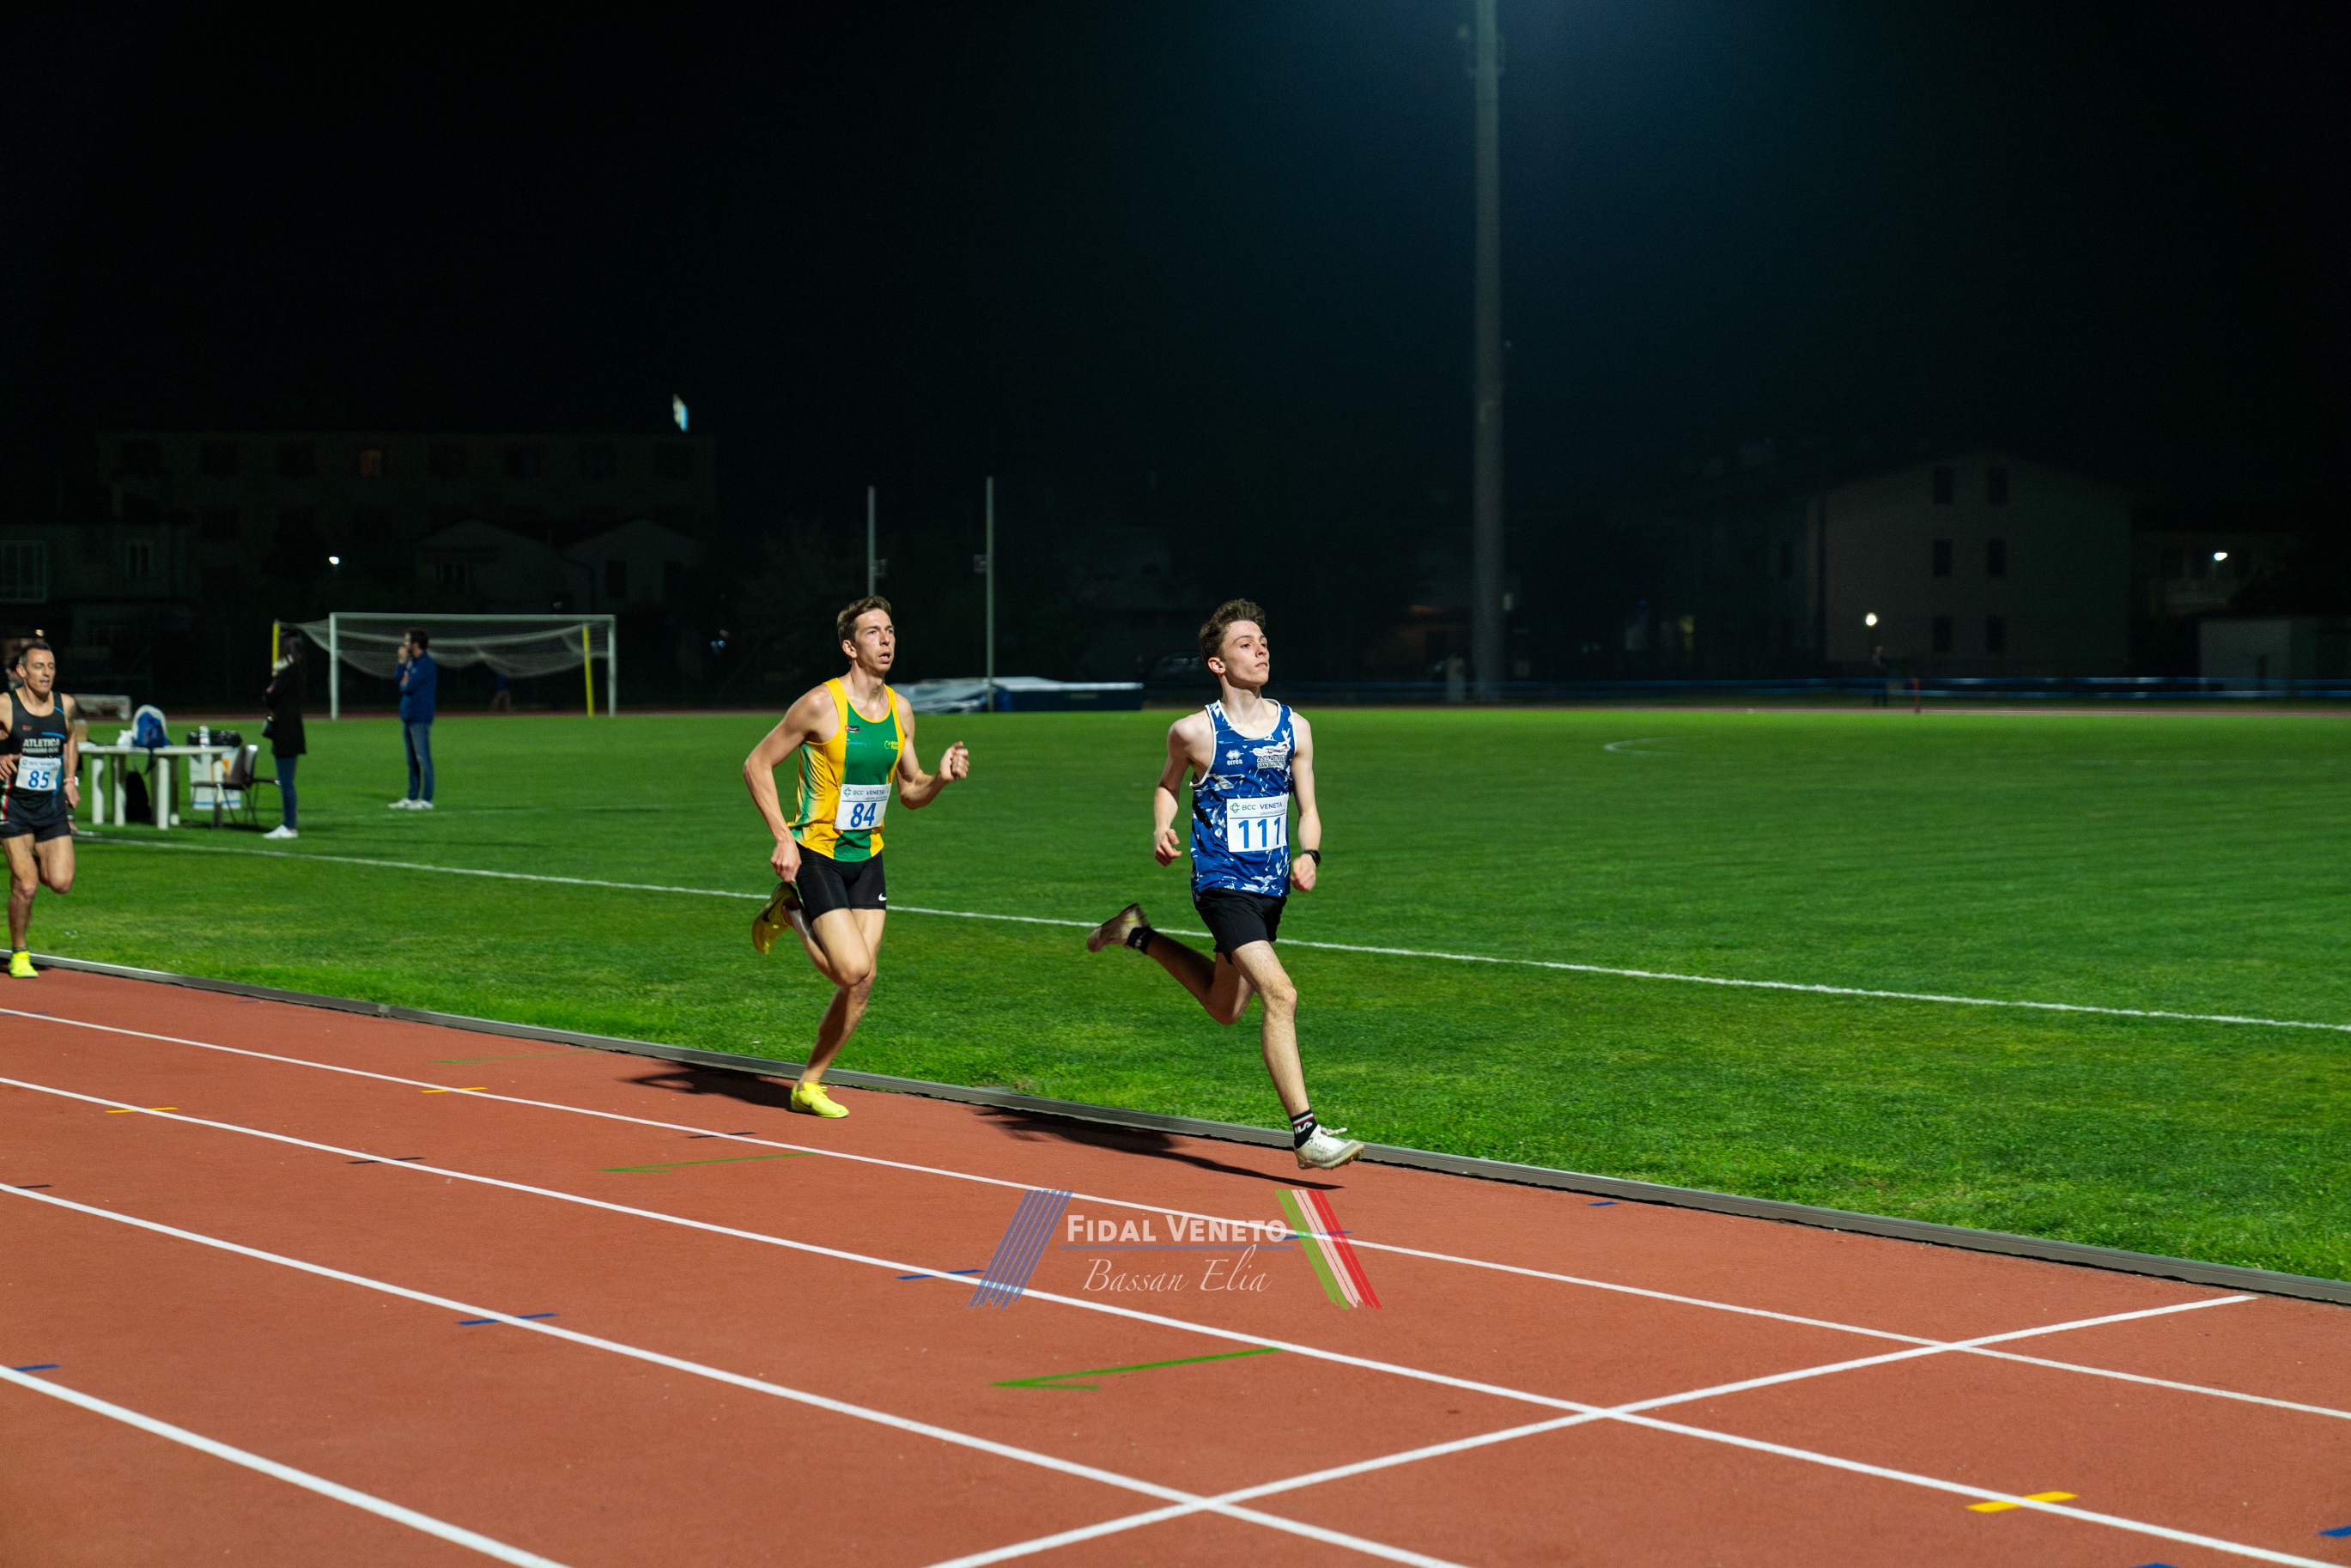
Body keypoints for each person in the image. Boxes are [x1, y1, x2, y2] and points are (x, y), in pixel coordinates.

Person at [1084, 599, 1364, 1171]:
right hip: (1221, 885)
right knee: (1281, 995)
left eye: (1262, 641)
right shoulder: (1193, 732)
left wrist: (1310, 854)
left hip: (1269, 890)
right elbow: (1167, 786)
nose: (1260, 650)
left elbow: (1309, 808)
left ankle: (1135, 933)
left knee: (1225, 1007)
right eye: (1244, 643)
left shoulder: (1295, 728)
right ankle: (1306, 1135)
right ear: (1217, 663)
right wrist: (1162, 827)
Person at [741, 596, 969, 1117]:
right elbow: (756, 764)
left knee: (863, 982)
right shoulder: (820, 705)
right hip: (817, 853)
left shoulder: (900, 710)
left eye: (890, 630)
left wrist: (939, 779)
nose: (886, 640)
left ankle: (809, 1085)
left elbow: (910, 791)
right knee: (851, 970)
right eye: (873, 632)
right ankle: (790, 909)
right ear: (849, 647)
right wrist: (782, 837)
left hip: (867, 855)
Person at [0, 640, 80, 978]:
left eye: (50, 666)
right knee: (28, 886)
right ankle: (20, 953)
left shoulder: (66, 705)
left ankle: (26, 861)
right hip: (13, 807)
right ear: (22, 671)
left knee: (60, 882)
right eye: (38, 666)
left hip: (50, 808)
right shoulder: (5, 706)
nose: (46, 673)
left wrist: (70, 780)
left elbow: (71, 738)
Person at [263, 632, 307, 839]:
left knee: (286, 781)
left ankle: (289, 826)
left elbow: (270, 696)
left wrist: (270, 688)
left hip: (286, 732)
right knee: (287, 781)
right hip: (292, 731)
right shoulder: (295, 670)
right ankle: (290, 820)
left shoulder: (288, 672)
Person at [391, 628, 437, 810]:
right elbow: (399, 680)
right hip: (408, 716)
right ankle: (412, 797)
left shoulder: (427, 663)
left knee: (423, 758)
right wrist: (401, 663)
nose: (404, 644)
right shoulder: (411, 662)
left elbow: (408, 686)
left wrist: (405, 682)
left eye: (407, 641)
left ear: (415, 644)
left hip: (420, 717)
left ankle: (426, 800)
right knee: (411, 760)